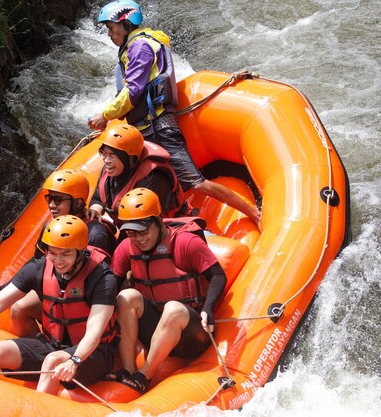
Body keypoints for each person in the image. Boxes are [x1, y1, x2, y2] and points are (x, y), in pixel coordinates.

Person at [88, 0, 261, 227]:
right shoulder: (131, 48)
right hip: (143, 130)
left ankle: (254, 213)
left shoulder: (140, 47)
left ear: (127, 23)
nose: (110, 34)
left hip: (160, 127)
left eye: (112, 27)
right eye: (108, 30)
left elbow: (132, 92)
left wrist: (106, 115)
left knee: (196, 183)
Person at [0, 215, 119, 393]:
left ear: (80, 251)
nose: (58, 261)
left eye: (65, 254)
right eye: (53, 253)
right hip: (54, 345)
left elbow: (95, 333)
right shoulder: (38, 268)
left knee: (52, 361)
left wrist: (75, 360)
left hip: (93, 353)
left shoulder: (102, 278)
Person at [107, 188, 227, 394]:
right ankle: (127, 370)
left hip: (190, 333)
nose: (139, 238)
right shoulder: (126, 248)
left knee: (172, 309)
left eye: (143, 230)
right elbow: (110, 288)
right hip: (155, 326)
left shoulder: (186, 242)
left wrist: (208, 308)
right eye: (131, 232)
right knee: (126, 297)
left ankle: (143, 376)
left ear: (159, 220)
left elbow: (218, 275)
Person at [10, 169, 116, 337]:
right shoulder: (52, 227)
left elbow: (101, 284)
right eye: (49, 199)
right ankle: (39, 348)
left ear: (78, 203)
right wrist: (3, 289)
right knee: (19, 308)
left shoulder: (96, 235)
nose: (52, 205)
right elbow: (35, 263)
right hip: (60, 292)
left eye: (58, 200)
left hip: (87, 300)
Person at [87, 122, 188, 226]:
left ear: (128, 158)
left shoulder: (152, 178)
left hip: (161, 227)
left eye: (112, 155)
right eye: (103, 153)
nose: (106, 160)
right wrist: (96, 209)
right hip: (129, 225)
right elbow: (97, 198)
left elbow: (144, 224)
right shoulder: (109, 169)